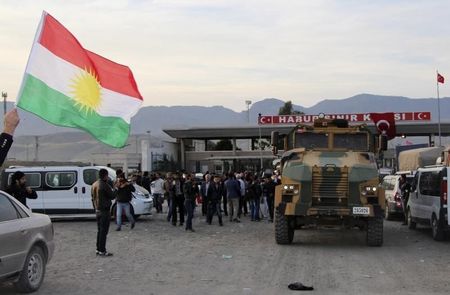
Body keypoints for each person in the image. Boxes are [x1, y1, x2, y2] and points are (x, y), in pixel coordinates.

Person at [91, 168, 116, 257]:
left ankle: (98, 249)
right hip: (104, 211)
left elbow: (92, 198)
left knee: (99, 231)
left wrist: (95, 208)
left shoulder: (94, 184)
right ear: (105, 175)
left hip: (97, 210)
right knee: (104, 231)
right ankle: (102, 250)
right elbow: (112, 196)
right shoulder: (104, 185)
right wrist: (115, 188)